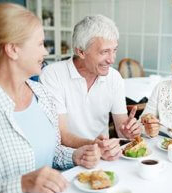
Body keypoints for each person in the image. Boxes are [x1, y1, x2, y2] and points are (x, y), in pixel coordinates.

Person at [0, 3, 101, 193]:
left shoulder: (42, 95)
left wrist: (75, 155)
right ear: (13, 49)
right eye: (41, 44)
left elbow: (51, 152)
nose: (46, 52)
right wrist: (21, 183)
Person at [40, 15, 141, 161]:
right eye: (104, 52)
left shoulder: (114, 78)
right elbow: (61, 134)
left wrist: (130, 131)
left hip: (103, 159)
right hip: (67, 160)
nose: (112, 59)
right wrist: (95, 145)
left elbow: (121, 130)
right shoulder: (52, 75)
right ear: (80, 51)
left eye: (114, 50)